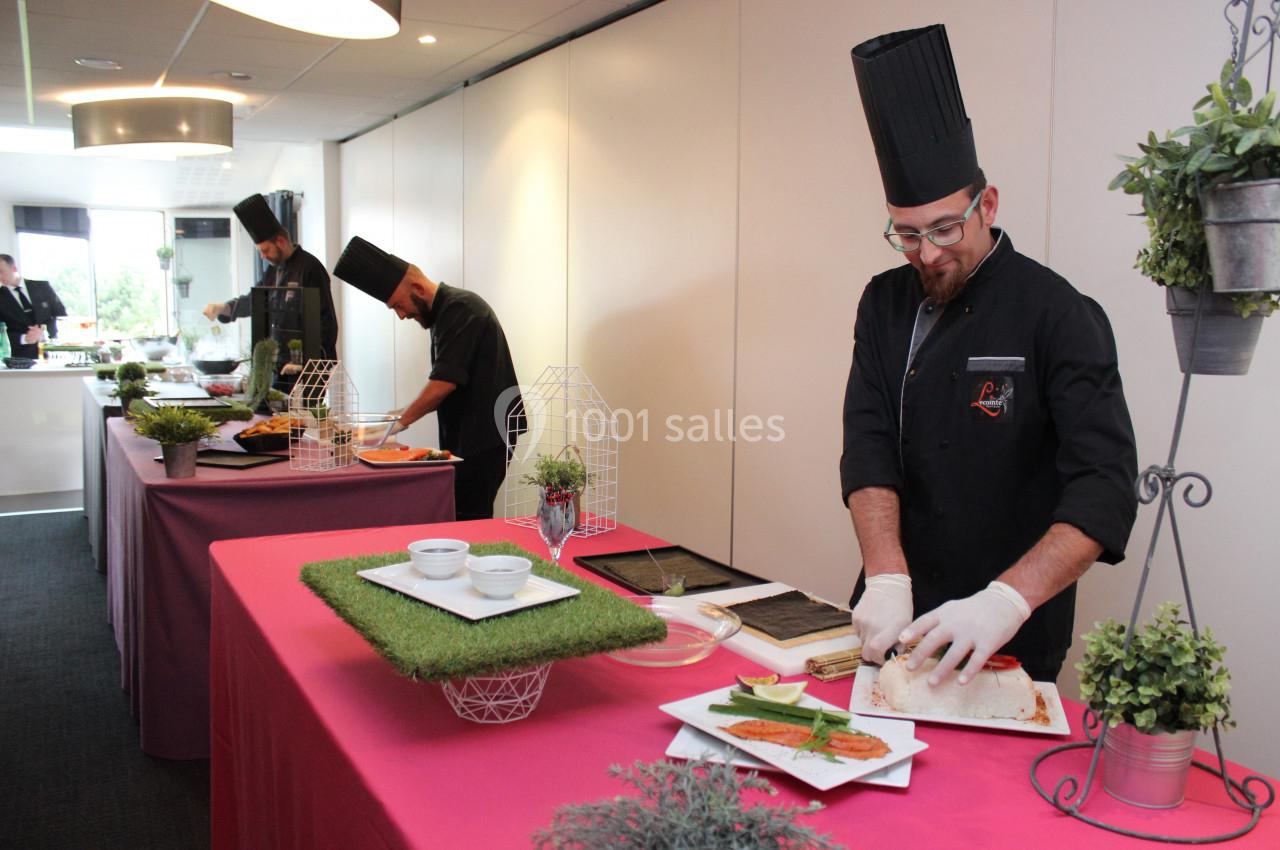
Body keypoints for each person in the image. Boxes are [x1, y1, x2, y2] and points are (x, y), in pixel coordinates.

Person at [840, 25, 1138, 686]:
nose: (928, 253)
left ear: (988, 205)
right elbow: (867, 444)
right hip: (899, 620)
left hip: (1007, 636)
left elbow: (1105, 485)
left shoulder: (1057, 313)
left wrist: (1008, 600)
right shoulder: (884, 303)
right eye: (908, 234)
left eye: (946, 228)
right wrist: (886, 575)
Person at [334, 236, 526, 520]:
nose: (401, 315)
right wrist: (388, 422)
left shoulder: (461, 308)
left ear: (417, 288)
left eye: (399, 305)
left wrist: (397, 423)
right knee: (460, 513)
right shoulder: (445, 314)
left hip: (485, 436)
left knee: (469, 516)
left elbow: (443, 383)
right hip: (467, 435)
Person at [203, 194, 337, 385]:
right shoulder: (273, 271)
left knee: (301, 415)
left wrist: (310, 363)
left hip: (306, 369)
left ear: (281, 242)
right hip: (279, 366)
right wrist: (223, 308)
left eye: (265, 250)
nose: (263, 257)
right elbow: (255, 301)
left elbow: (327, 323)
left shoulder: (310, 268)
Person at [0, 253, 66, 359]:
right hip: (20, 358)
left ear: (14, 268)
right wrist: (25, 338)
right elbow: (1, 332)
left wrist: (43, 332)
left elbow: (61, 314)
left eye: (1, 272)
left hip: (53, 353)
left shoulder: (42, 287)